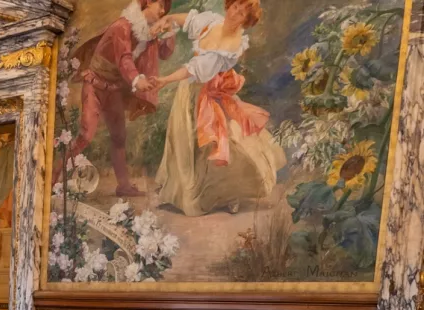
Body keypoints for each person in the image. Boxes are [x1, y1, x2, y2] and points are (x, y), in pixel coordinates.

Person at [152, 0, 283, 218]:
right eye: (235, 7)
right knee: (183, 140)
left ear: (246, 21)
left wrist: (165, 80)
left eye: (242, 13)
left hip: (209, 96)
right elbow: (190, 21)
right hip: (189, 92)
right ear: (229, 5)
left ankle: (230, 193)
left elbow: (196, 70)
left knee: (219, 144)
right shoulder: (213, 22)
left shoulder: (232, 45)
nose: (235, 13)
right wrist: (169, 18)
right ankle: (179, 190)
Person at [62, 0, 175, 197]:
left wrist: (170, 31)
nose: (163, 10)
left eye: (165, 8)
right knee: (86, 136)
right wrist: (137, 79)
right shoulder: (122, 26)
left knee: (119, 137)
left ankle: (123, 186)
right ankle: (55, 177)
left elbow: (165, 53)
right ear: (148, 2)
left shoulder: (147, 34)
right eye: (160, 5)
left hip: (113, 90)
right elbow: (124, 59)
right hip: (95, 86)